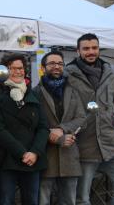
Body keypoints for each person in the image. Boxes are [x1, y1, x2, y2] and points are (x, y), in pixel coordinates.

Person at [64, 33, 114, 205]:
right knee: (82, 197)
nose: (91, 52)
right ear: (77, 51)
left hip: (112, 142)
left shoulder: (110, 73)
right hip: (84, 145)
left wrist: (109, 120)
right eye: (86, 48)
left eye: (94, 48)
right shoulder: (68, 75)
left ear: (98, 49)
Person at [0, 53, 48, 205]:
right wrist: (22, 153)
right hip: (7, 160)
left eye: (20, 68)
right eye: (12, 68)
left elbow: (43, 127)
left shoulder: (33, 95)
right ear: (5, 71)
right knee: (6, 201)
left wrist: (34, 152)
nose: (17, 71)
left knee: (31, 201)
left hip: (32, 160)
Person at [33, 50, 84, 205]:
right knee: (43, 199)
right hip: (45, 154)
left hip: (69, 153)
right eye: (52, 63)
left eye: (60, 64)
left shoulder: (73, 91)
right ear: (43, 68)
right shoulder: (35, 93)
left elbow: (82, 119)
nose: (56, 67)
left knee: (69, 200)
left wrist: (62, 129)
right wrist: (52, 135)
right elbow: (32, 123)